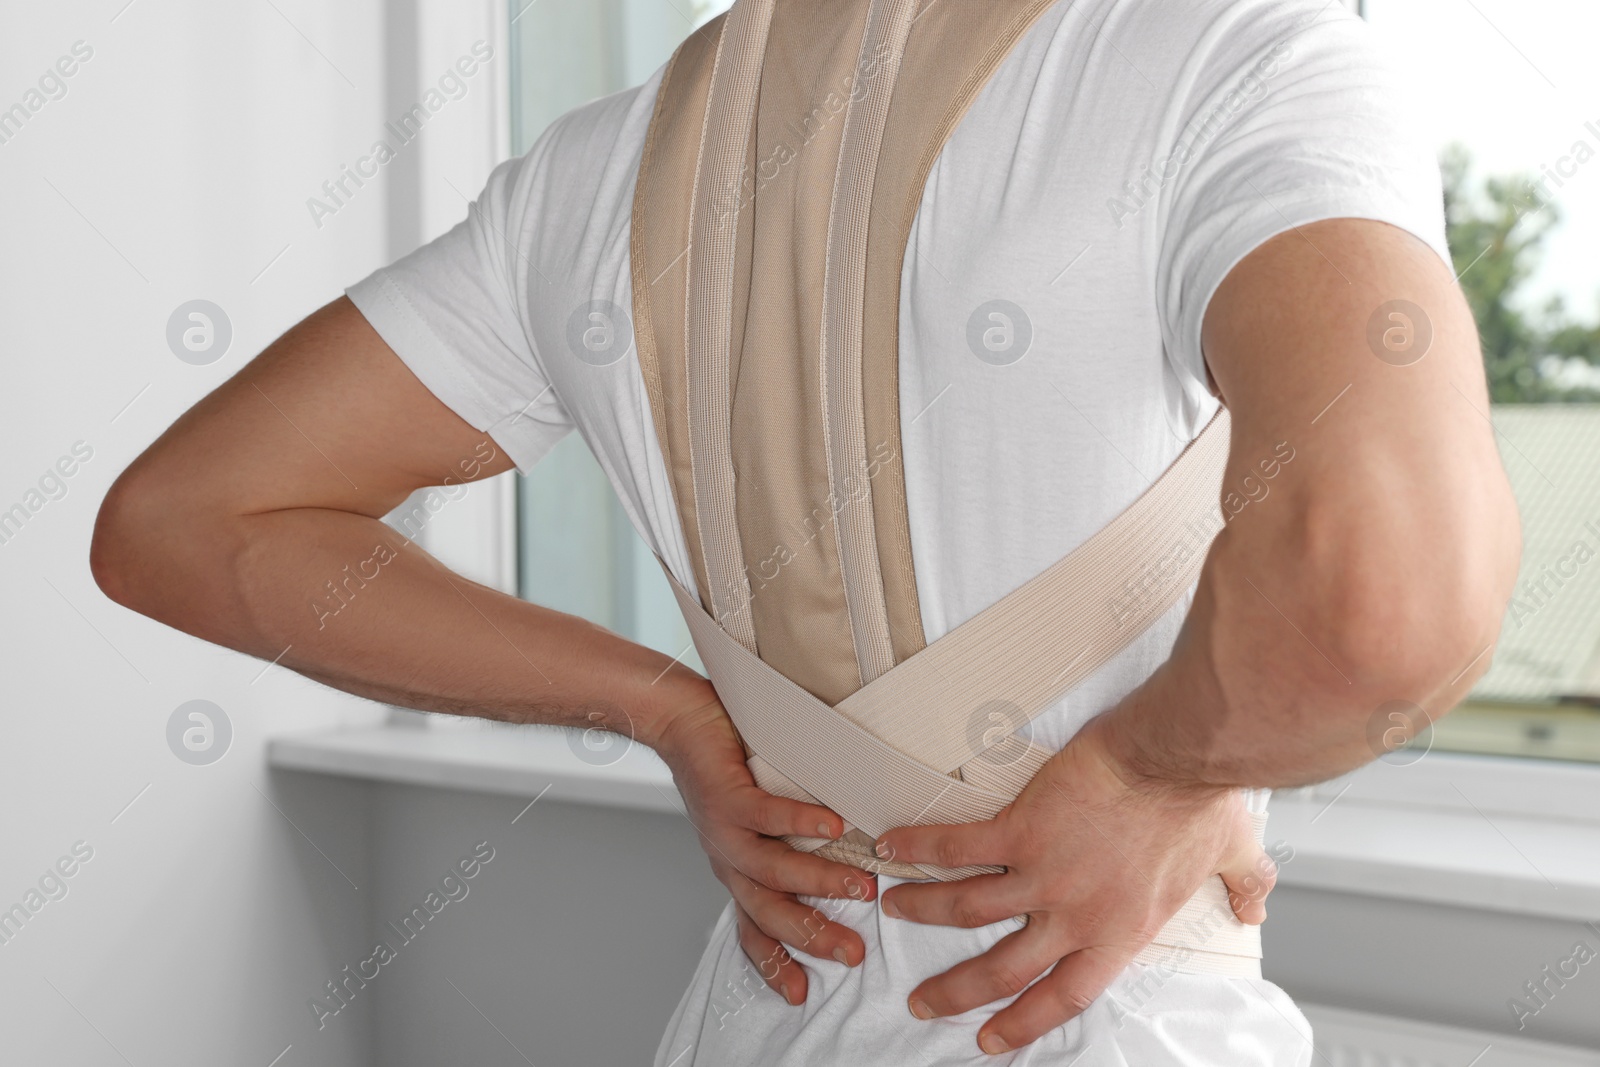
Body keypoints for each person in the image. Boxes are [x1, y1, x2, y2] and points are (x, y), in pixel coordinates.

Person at [90, 0, 1521, 1062]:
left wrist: (661, 701)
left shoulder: (591, 176)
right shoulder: (1233, 59)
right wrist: (1154, 768)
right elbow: (1388, 599)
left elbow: (185, 521)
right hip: (1099, 1020)